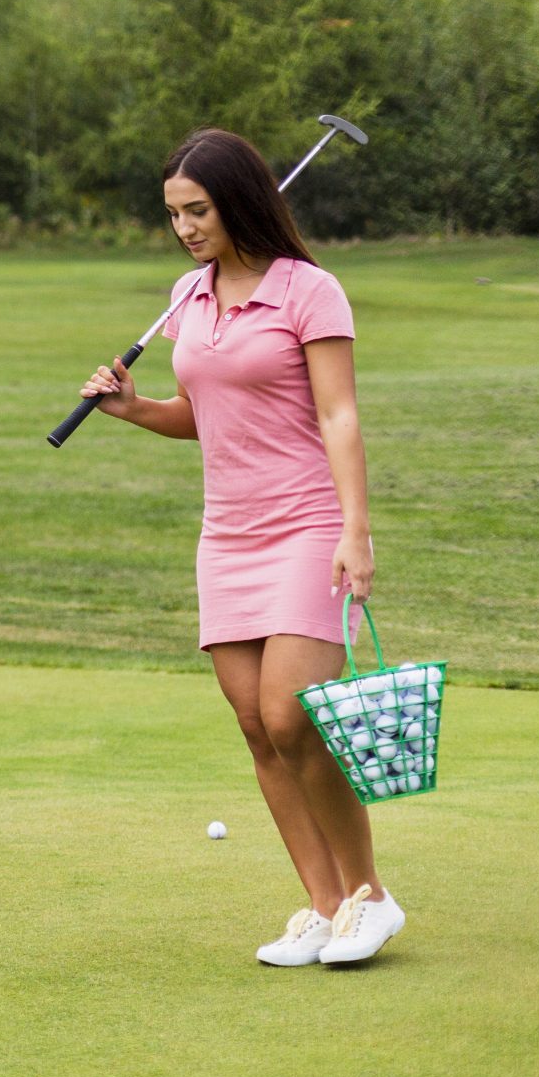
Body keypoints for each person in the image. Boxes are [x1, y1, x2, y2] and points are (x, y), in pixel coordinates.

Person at [79, 128, 401, 965]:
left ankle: (371, 897)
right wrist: (136, 409)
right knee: (256, 727)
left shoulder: (310, 291)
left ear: (240, 200)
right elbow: (209, 415)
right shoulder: (188, 296)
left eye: (198, 210)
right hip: (226, 533)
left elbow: (339, 416)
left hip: (306, 524)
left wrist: (356, 529)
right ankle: (326, 908)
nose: (184, 228)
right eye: (174, 214)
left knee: (293, 715)